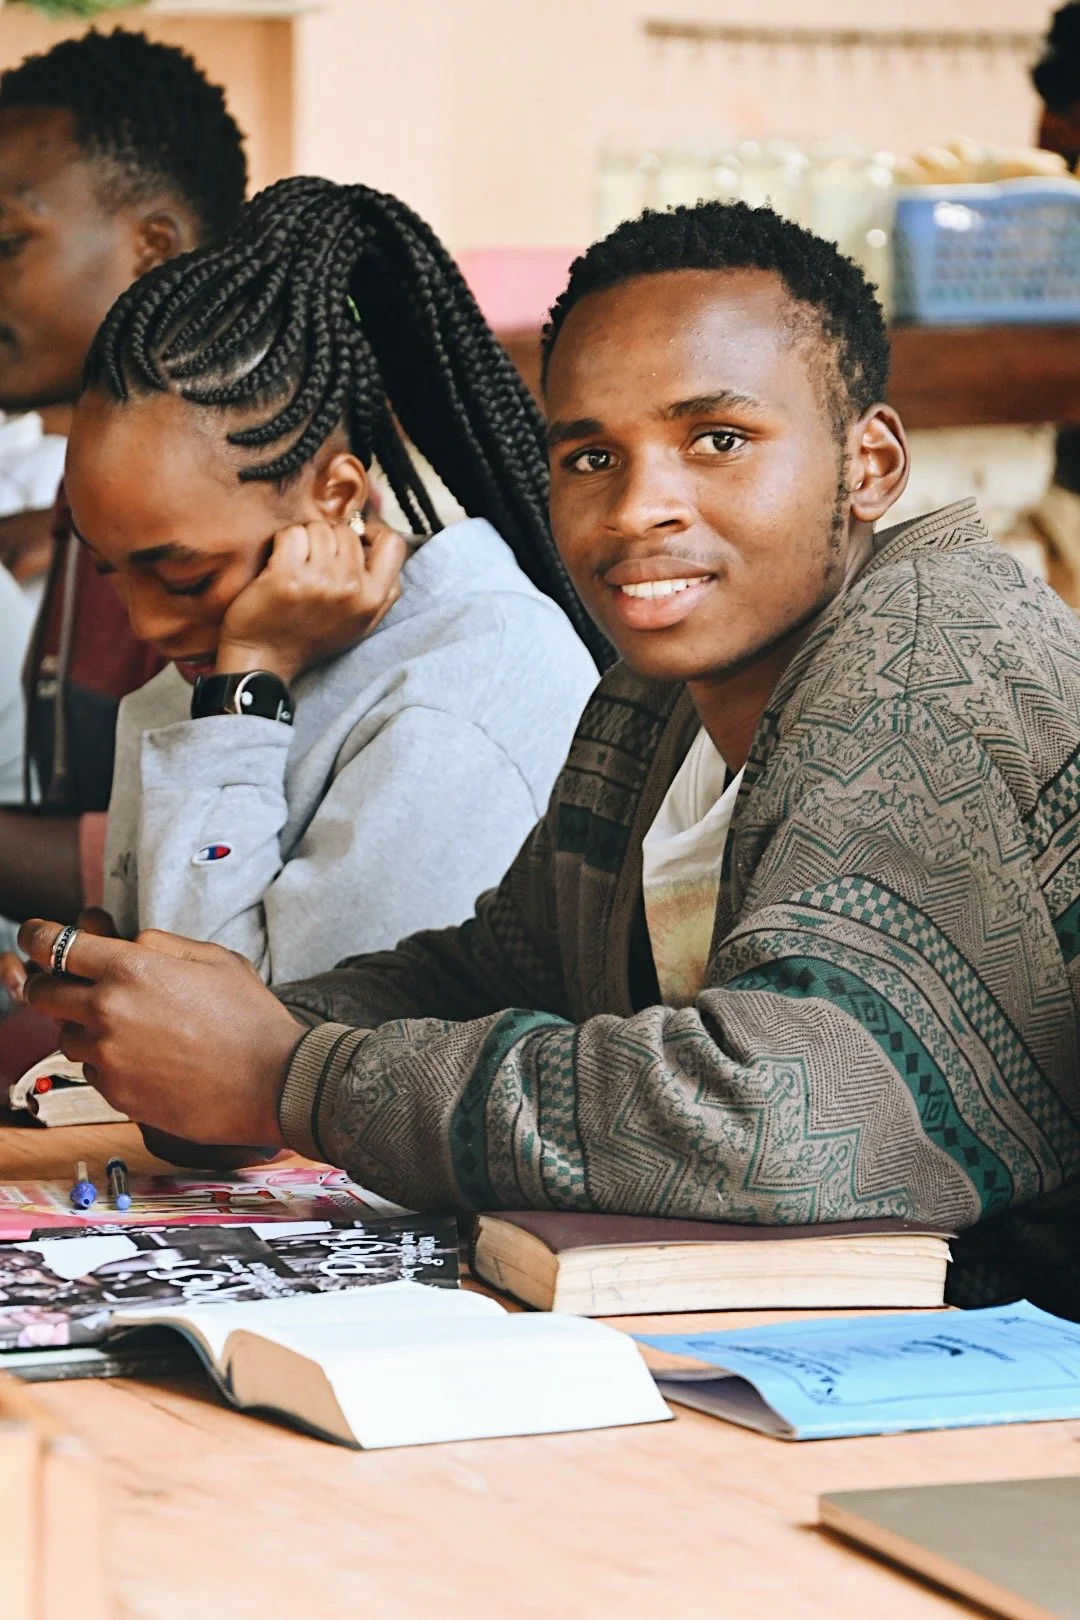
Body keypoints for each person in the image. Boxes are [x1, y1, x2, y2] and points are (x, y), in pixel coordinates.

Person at [21, 201, 1080, 1319]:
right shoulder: (652, 700)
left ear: (870, 463)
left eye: (718, 440)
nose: (638, 509)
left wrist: (287, 1078)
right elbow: (493, 971)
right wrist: (214, 1027)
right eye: (590, 456)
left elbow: (785, 1118)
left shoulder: (932, 650)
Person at [15, 175, 597, 987]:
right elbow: (168, 987)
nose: (146, 625)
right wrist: (102, 981)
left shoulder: (462, 690)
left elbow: (257, 1041)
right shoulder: (218, 653)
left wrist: (247, 686)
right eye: (111, 573)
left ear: (337, 495)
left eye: (184, 578)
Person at [0, 29, 248, 937]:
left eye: (7, 243)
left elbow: (189, 859)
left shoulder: (247, 507)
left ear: (152, 247)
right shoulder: (83, 498)